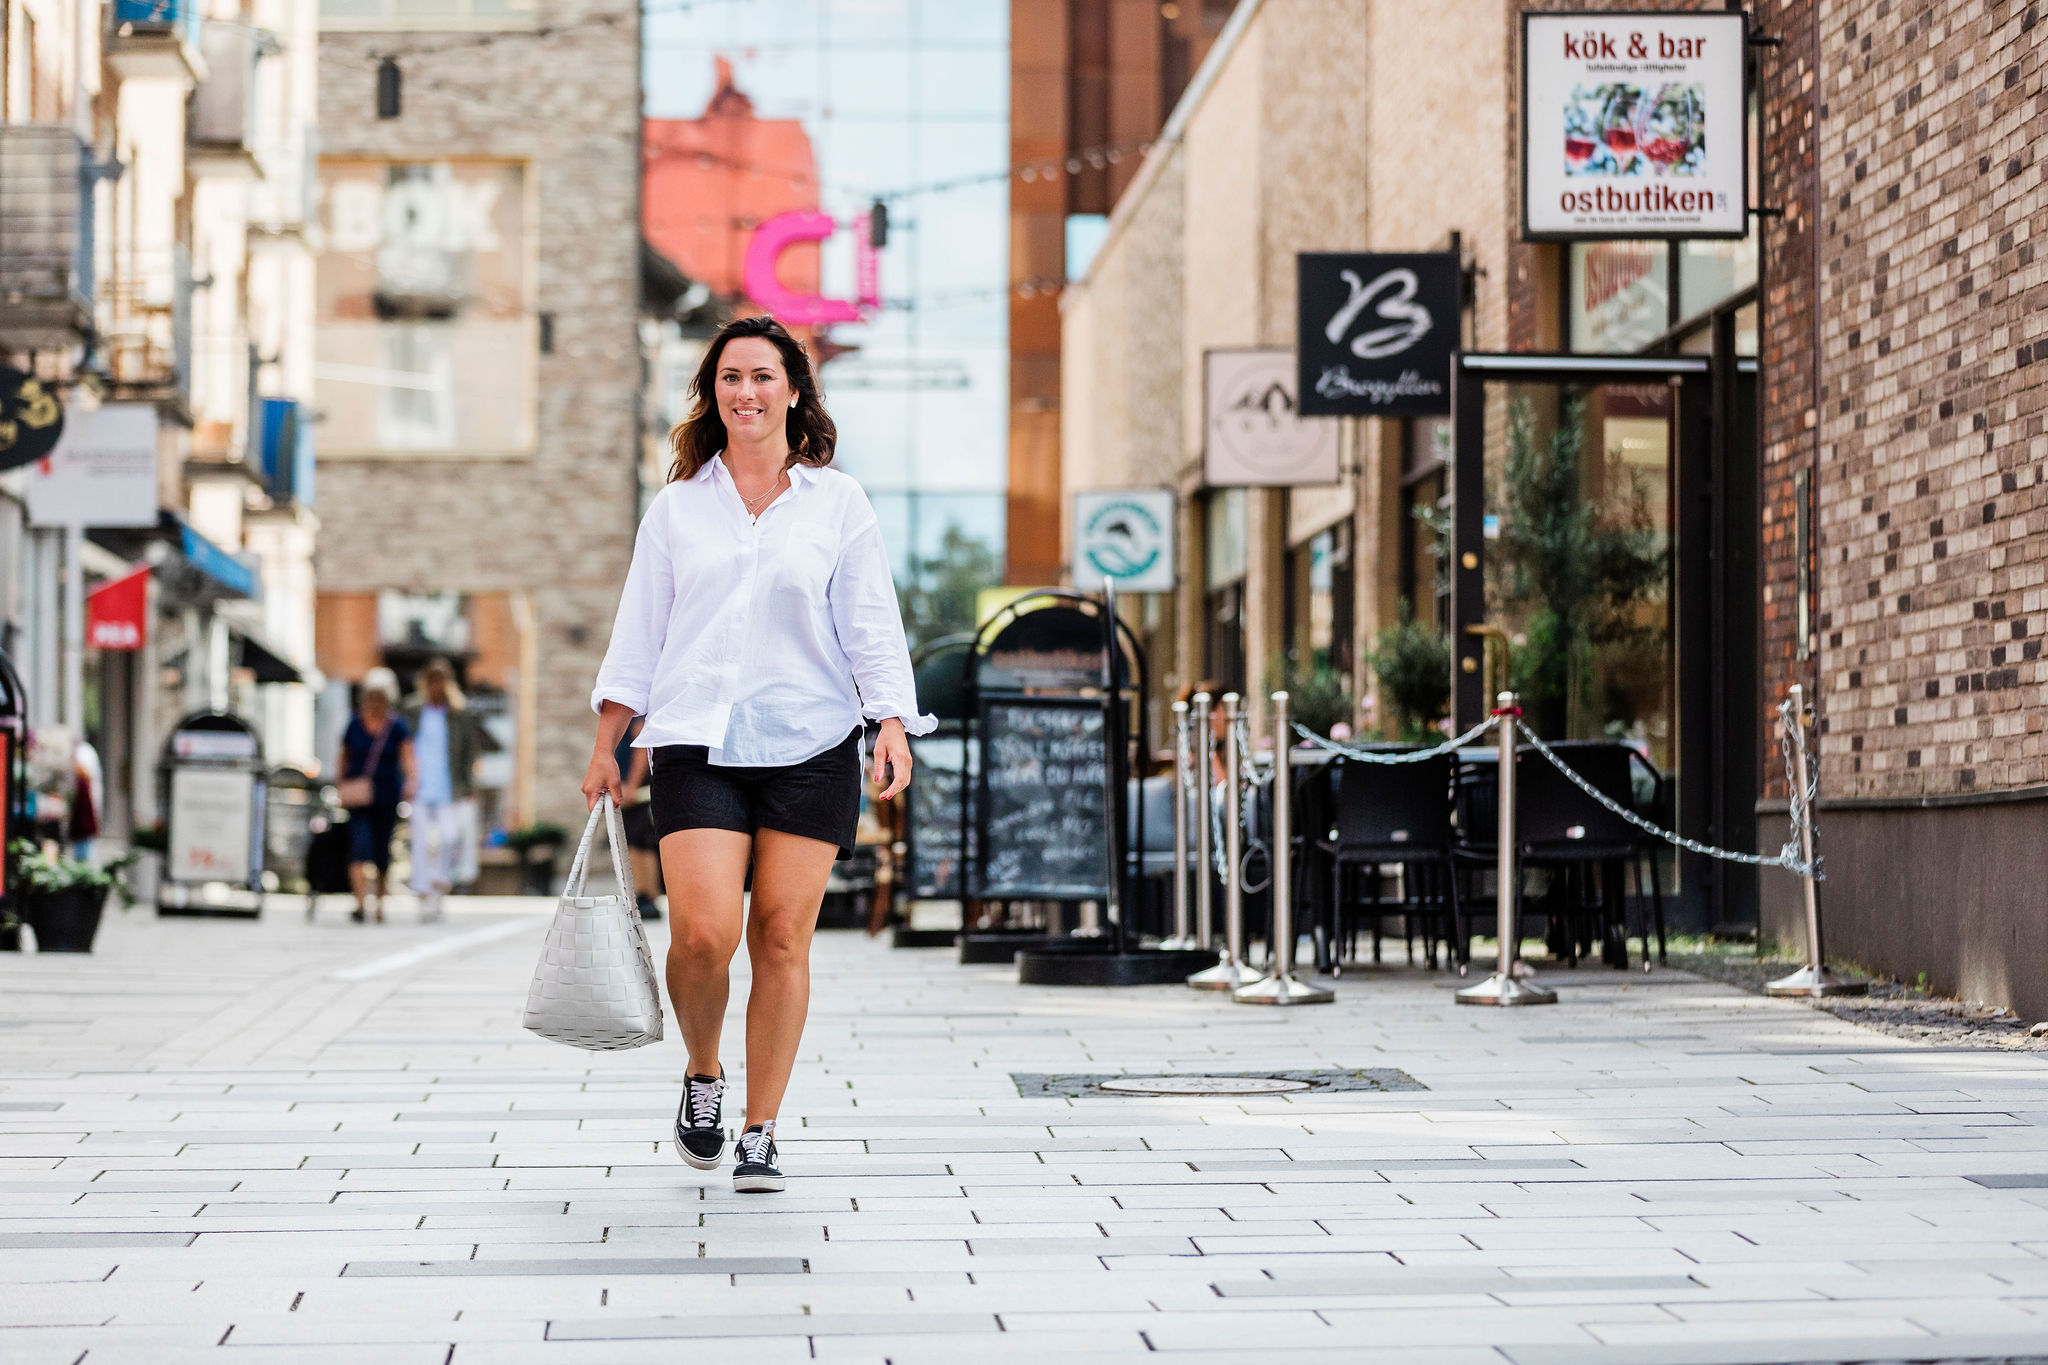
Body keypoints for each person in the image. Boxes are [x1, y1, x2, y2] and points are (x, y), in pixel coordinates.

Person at [585, 314, 932, 1194]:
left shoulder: (838, 503)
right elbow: (640, 635)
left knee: (782, 935)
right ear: (714, 393)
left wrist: (890, 721)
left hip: (811, 741)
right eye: (730, 377)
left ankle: (760, 1128)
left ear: (794, 391)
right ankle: (704, 1072)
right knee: (703, 935)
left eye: (763, 377)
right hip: (696, 738)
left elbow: (869, 623)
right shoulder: (676, 509)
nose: (746, 392)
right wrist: (606, 744)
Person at [401, 659, 485, 923]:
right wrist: (406, 778)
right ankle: (424, 891)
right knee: (422, 842)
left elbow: (471, 752)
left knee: (449, 837)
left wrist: (471, 786)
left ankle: (439, 881)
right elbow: (403, 747)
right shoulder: (413, 710)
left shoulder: (459, 713)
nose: (437, 686)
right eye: (432, 680)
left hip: (450, 787)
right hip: (419, 787)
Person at [340, 667, 414, 924]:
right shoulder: (354, 724)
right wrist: (341, 784)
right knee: (358, 848)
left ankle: (380, 904)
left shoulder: (397, 726)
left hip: (386, 794)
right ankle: (360, 903)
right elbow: (344, 756)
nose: (375, 701)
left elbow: (407, 757)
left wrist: (411, 782)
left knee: (382, 851)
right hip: (358, 796)